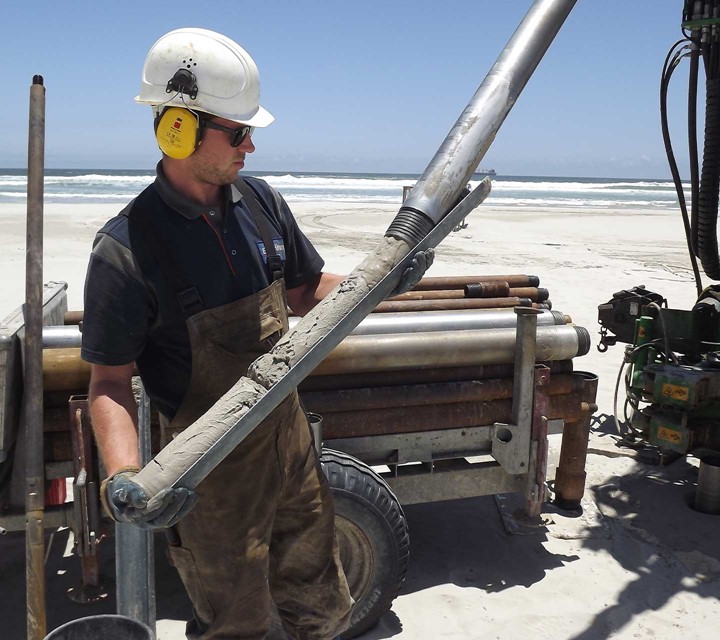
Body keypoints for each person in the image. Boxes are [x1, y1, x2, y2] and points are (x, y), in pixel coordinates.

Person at [81, 28, 432, 640]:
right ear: (178, 130)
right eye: (237, 131)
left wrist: (382, 282)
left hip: (290, 442)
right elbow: (108, 383)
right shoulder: (125, 251)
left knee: (321, 602)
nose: (251, 145)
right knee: (234, 624)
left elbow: (304, 289)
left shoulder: (261, 203)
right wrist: (125, 478)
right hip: (209, 473)